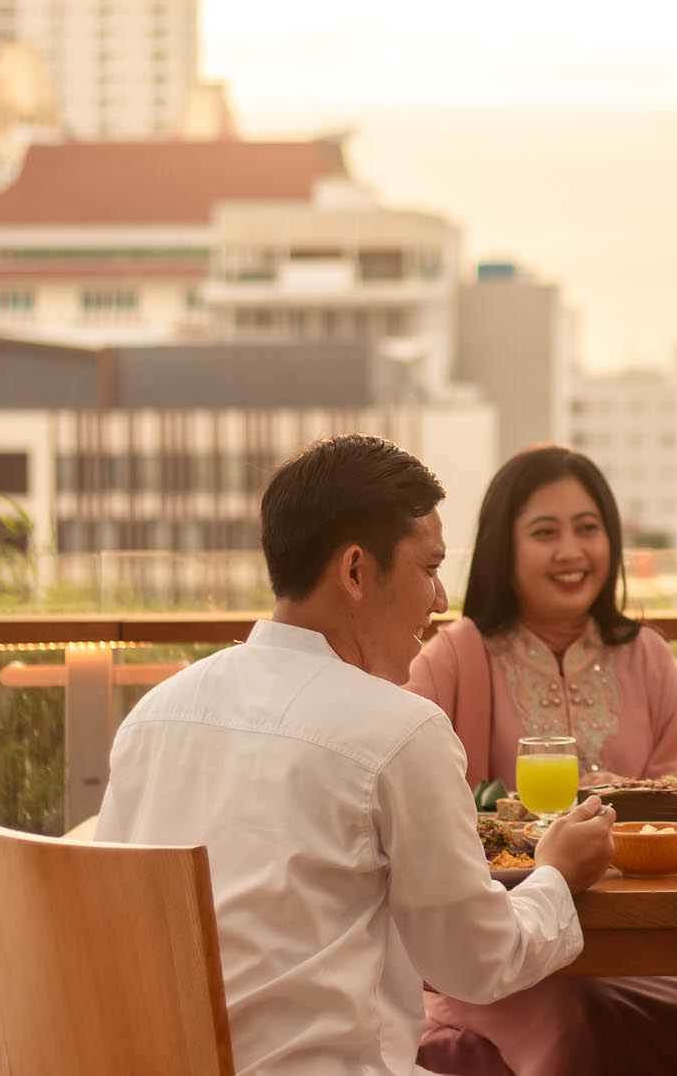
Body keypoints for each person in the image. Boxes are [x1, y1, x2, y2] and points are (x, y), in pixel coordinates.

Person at [96, 433, 616, 1076]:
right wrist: (557, 875)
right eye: (428, 569)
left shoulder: (153, 715)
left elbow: (112, 935)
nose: (439, 601)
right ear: (354, 571)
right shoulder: (398, 732)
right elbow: (477, 961)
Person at [407, 444, 677, 1076]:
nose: (570, 552)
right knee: (576, 1010)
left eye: (588, 529)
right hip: (502, 949)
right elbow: (409, 807)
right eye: (544, 532)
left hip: (646, 941)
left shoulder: (649, 657)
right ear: (505, 547)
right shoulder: (454, 656)